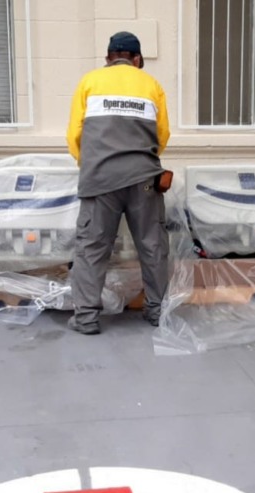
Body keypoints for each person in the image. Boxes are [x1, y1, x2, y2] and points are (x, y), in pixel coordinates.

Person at [66, 31, 171, 335]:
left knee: (92, 249)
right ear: (137, 60)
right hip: (144, 180)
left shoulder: (89, 82)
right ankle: (157, 312)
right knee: (152, 247)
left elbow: (74, 136)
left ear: (108, 58)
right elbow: (162, 136)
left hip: (100, 180)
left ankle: (85, 318)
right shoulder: (151, 85)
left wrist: (92, 164)